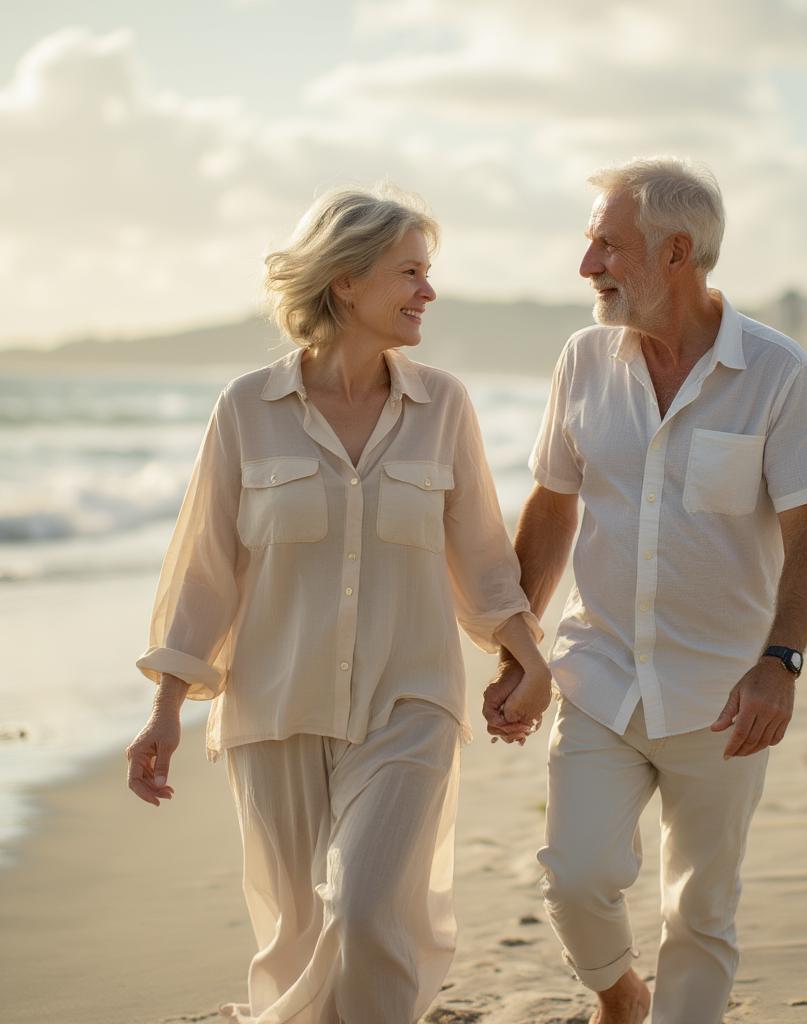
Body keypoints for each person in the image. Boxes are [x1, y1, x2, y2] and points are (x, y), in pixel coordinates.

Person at [126, 184, 552, 1024]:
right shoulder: (247, 408)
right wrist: (166, 707)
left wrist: (529, 662)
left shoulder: (444, 406)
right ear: (345, 282)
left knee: (367, 911)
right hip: (273, 707)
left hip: (410, 701)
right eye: (410, 273)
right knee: (294, 937)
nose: (427, 291)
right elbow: (205, 569)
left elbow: (482, 559)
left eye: (428, 273)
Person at [484, 157, 807, 1024]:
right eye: (589, 246)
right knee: (576, 877)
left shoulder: (776, 372)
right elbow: (553, 506)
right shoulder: (583, 360)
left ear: (676, 251)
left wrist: (781, 663)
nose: (588, 268)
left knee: (701, 909)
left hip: (727, 696)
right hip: (599, 673)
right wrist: (517, 650)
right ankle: (619, 992)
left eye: (608, 247)